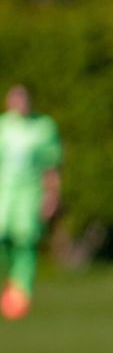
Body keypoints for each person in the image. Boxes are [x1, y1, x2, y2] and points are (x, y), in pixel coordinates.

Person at [0, 85, 62, 321]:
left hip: (28, 194)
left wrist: (51, 195)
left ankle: (21, 291)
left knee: (25, 240)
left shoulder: (43, 128)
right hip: (4, 193)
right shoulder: (3, 127)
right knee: (3, 238)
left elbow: (51, 166)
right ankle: (9, 281)